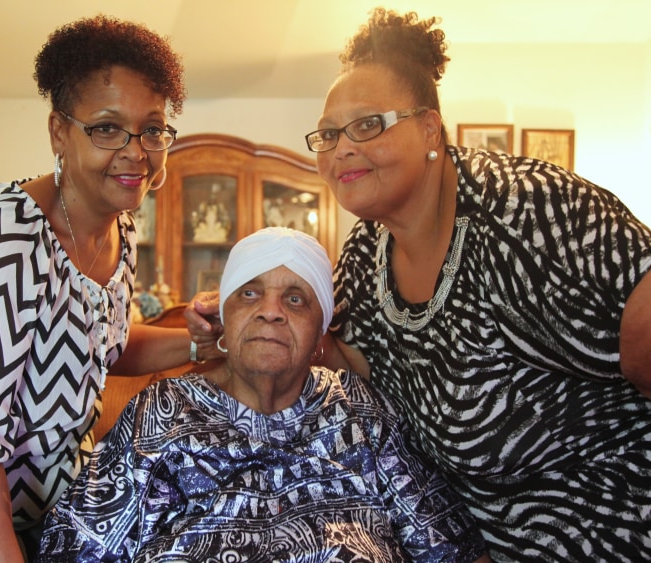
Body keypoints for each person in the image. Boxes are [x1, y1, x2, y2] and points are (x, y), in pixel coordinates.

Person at [186, 8, 651, 562]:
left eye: (367, 125)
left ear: (430, 128)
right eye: (329, 134)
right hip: (470, 539)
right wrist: (238, 326)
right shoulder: (365, 253)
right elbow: (344, 362)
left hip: (610, 523)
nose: (341, 149)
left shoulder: (528, 212)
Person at [0, 15, 191, 562]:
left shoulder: (117, 229)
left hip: (36, 509)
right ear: (59, 132)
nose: (136, 151)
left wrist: (202, 340)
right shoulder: (1, 236)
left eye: (152, 128)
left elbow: (105, 344)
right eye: (106, 128)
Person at [37, 227, 490, 562]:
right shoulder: (161, 413)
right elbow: (76, 548)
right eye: (249, 294)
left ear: (319, 338)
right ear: (224, 327)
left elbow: (450, 548)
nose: (270, 311)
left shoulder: (362, 413)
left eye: (296, 299)